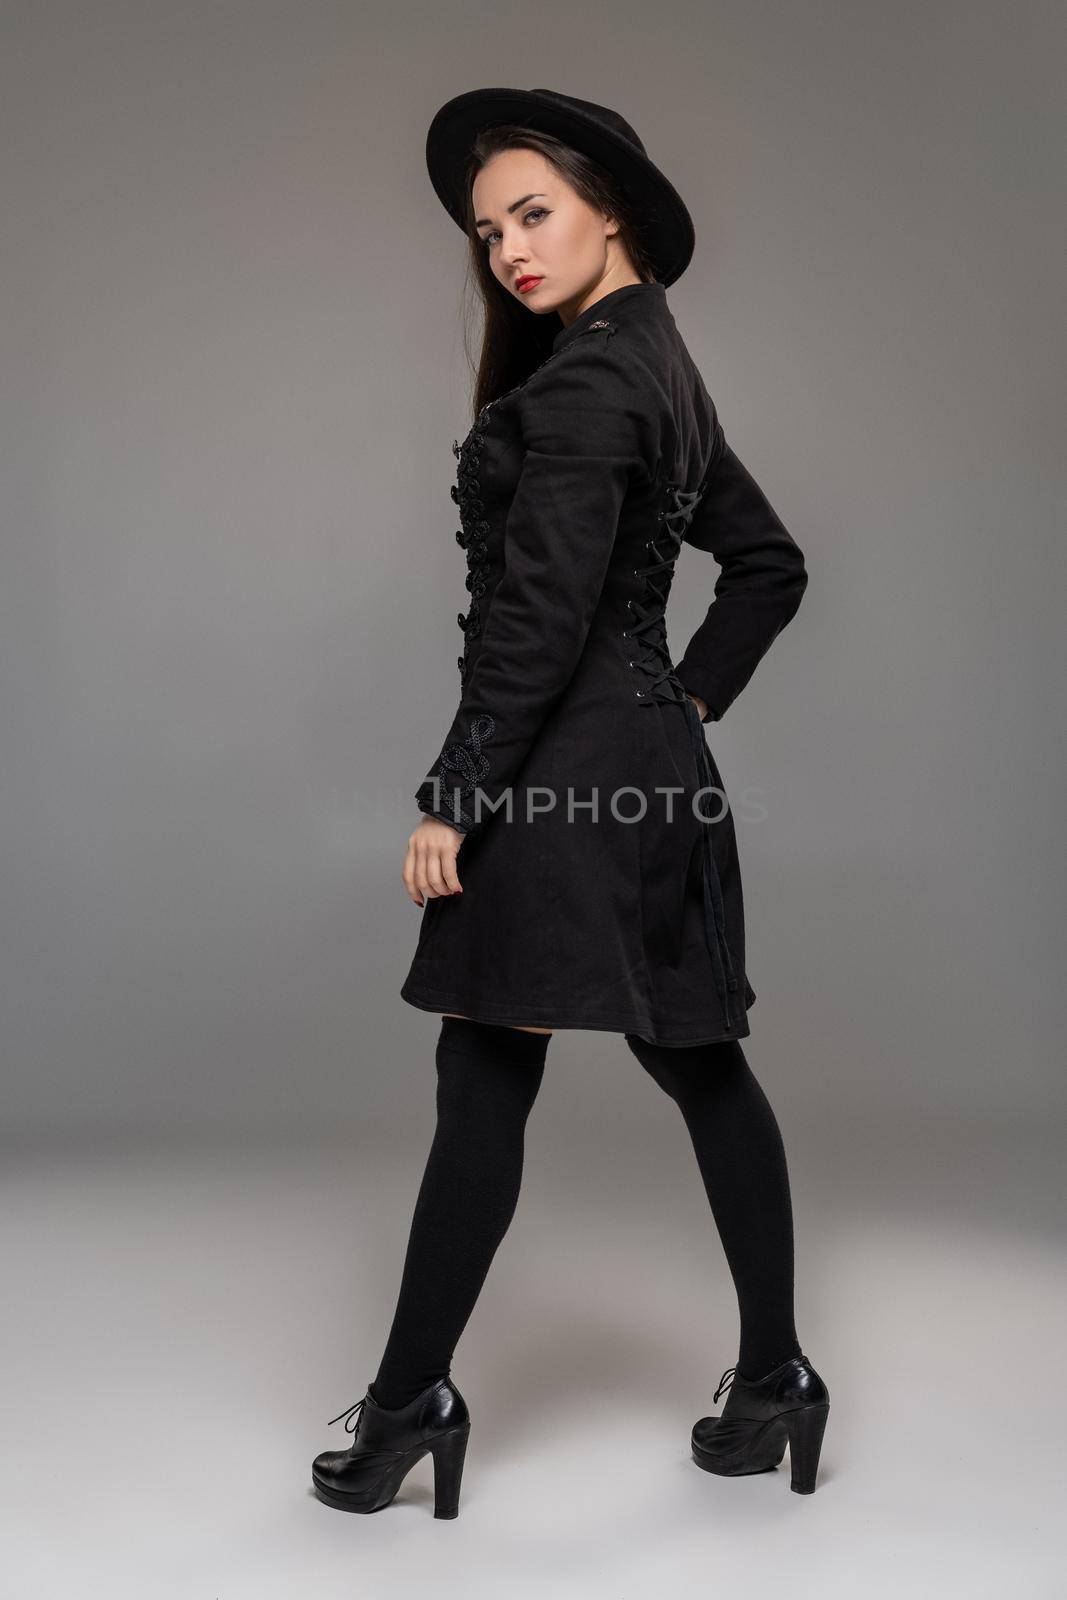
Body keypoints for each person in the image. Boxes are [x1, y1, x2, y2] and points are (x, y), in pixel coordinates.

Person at [311, 88, 830, 1520]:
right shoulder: (655, 369)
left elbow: (536, 623)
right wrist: (683, 705)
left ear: (614, 206)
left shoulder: (592, 385)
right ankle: (776, 1373)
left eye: (534, 211)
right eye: (490, 231)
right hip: (643, 770)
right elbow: (770, 565)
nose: (508, 250)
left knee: (492, 1068)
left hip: (560, 780)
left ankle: (413, 1401)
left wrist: (452, 799)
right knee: (690, 1057)